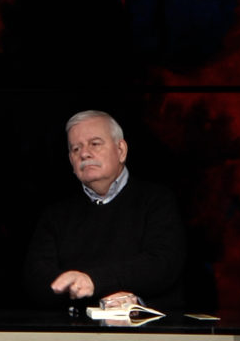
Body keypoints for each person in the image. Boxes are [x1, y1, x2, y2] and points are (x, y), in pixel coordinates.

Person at [24, 110, 185, 310]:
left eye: (95, 144)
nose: (84, 154)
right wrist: (88, 291)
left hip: (145, 326)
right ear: (71, 161)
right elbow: (37, 279)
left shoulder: (157, 201)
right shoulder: (55, 215)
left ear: (121, 150)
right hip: (76, 327)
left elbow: (163, 264)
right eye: (76, 148)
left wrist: (94, 282)